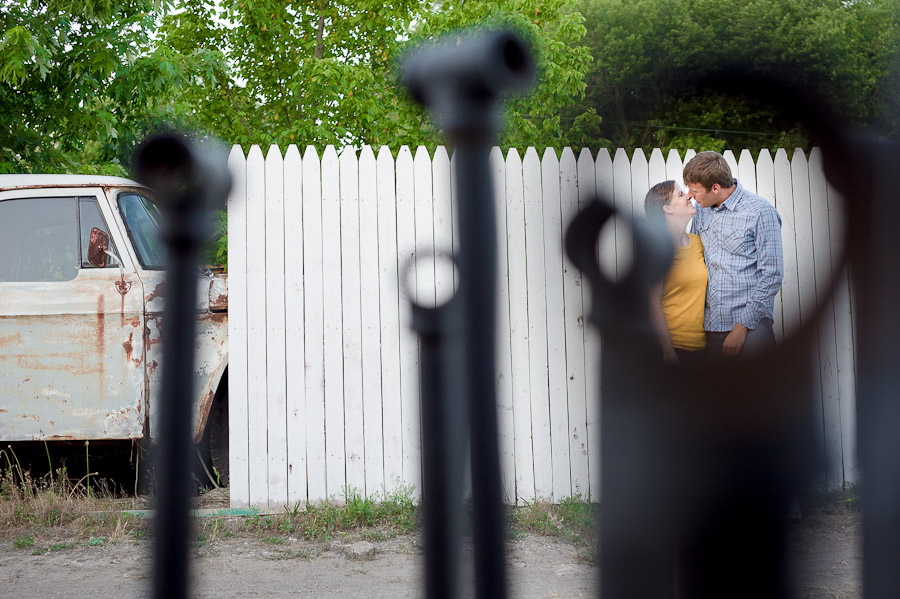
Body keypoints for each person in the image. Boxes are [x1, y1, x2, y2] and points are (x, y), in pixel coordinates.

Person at [683, 151, 783, 358]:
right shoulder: (701, 210)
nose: (690, 196)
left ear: (716, 188)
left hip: (751, 328)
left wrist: (741, 328)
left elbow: (772, 275)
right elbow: (695, 259)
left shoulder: (760, 212)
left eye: (694, 190)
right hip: (709, 327)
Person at [644, 180, 708, 365]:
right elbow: (652, 304)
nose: (689, 196)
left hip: (700, 349)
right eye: (680, 194)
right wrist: (668, 353)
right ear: (667, 209)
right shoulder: (658, 249)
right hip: (669, 351)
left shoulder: (697, 242)